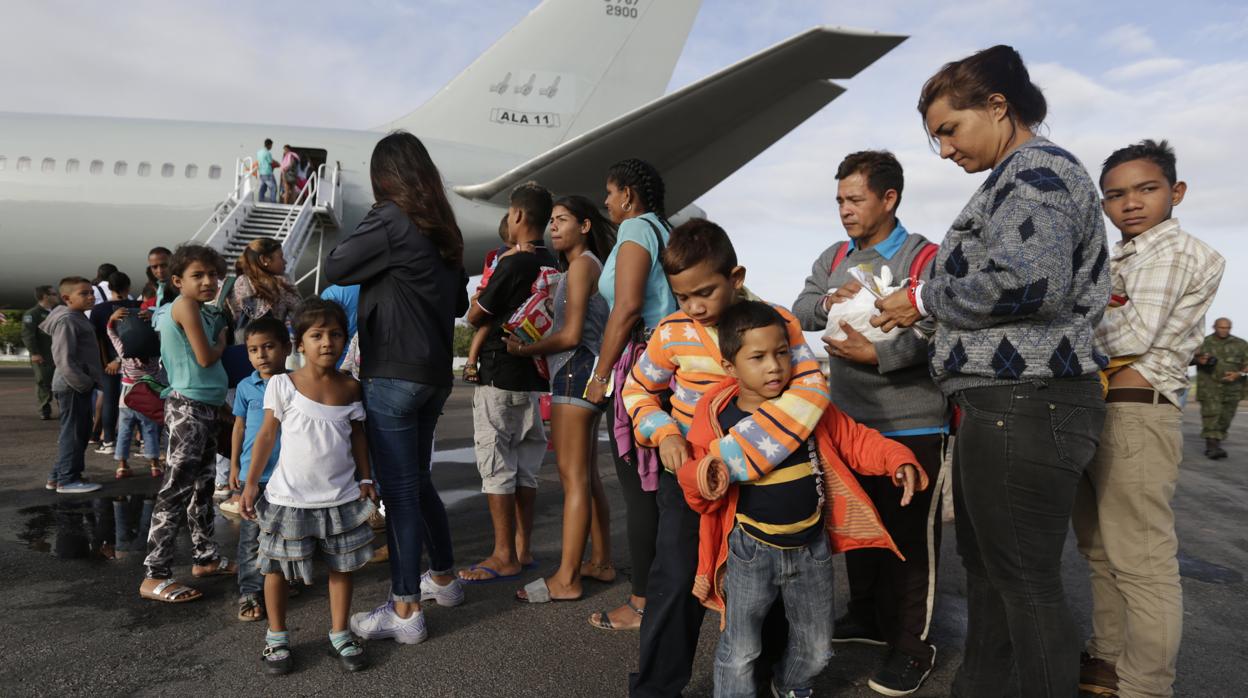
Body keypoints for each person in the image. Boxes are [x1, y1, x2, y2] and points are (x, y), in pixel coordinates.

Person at [871, 45, 1110, 697]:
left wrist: (921, 298)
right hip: (1002, 403)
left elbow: (1033, 281)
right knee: (991, 575)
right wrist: (916, 311)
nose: (944, 150)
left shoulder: (1037, 173)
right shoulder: (1015, 179)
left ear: (997, 106)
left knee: (1023, 584)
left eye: (949, 129)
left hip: (1026, 403)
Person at [621, 219, 830, 697]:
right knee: (676, 579)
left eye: (706, 292)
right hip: (692, 477)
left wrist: (736, 457)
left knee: (771, 586)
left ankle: (766, 679)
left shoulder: (776, 322)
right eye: (683, 297)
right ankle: (655, 688)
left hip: (765, 478)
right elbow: (638, 390)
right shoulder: (673, 332)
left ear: (735, 278)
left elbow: (811, 386)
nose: (695, 307)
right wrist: (665, 432)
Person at [677, 300, 924, 698]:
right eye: (757, 357)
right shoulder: (716, 419)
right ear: (730, 367)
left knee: (817, 648)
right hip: (750, 549)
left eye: (780, 353)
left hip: (812, 548)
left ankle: (789, 684)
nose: (774, 366)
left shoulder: (806, 409)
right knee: (740, 649)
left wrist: (896, 458)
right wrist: (702, 476)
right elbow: (695, 482)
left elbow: (855, 439)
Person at [791, 150, 948, 695]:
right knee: (858, 527)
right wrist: (831, 298)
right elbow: (802, 307)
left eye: (855, 199)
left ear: (889, 198)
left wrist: (877, 356)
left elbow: (943, 335)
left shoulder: (924, 258)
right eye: (839, 200)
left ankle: (912, 646)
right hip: (848, 424)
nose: (845, 210)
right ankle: (865, 616)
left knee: (908, 540)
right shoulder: (834, 254)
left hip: (912, 422)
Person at [1072, 139, 1224, 698]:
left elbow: (1131, 335)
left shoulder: (1175, 253)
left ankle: (1145, 685)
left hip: (1135, 416)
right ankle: (1108, 659)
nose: (1130, 203)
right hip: (1098, 407)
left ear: (1175, 192)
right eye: (1115, 194)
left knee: (1142, 561)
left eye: (1146, 189)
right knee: (1098, 551)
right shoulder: (1120, 258)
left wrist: (1060, 329)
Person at [326, 131, 470, 645]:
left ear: (384, 177)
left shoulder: (389, 217)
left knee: (400, 493)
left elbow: (338, 262)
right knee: (418, 480)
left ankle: (406, 607)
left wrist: (378, 222)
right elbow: (457, 305)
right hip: (433, 375)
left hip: (393, 372)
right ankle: (445, 579)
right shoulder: (444, 229)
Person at [240, 298, 377, 674]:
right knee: (275, 569)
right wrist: (250, 484)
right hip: (289, 498)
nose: (327, 342)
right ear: (299, 343)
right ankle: (277, 637)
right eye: (316, 335)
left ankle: (339, 633)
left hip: (341, 497)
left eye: (335, 334)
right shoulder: (283, 384)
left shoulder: (351, 387)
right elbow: (267, 436)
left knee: (342, 567)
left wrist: (366, 478)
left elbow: (358, 436)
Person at [583, 158, 680, 632]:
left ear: (629, 195)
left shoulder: (637, 229)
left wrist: (601, 375)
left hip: (644, 366)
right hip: (676, 367)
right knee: (666, 488)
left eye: (610, 192)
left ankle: (642, 602)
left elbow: (626, 306)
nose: (606, 202)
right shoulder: (667, 228)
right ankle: (671, 592)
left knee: (639, 490)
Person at [508, 195, 617, 603]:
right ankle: (601, 561)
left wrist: (525, 350)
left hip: (575, 372)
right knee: (585, 476)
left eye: (562, 220)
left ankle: (567, 578)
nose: (553, 227)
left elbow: (570, 336)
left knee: (572, 479)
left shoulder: (581, 267)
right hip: (586, 374)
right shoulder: (587, 267)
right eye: (551, 220)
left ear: (584, 227)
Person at [460, 181, 556, 583]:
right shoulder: (556, 264)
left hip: (500, 374)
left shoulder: (512, 264)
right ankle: (523, 548)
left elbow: (475, 314)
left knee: (497, 466)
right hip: (536, 379)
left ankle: (502, 555)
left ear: (516, 216)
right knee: (525, 469)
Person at [138, 244, 237, 604]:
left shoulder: (198, 309)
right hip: (188, 409)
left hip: (206, 408)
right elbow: (205, 356)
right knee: (176, 490)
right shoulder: (183, 305)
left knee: (202, 489)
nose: (209, 281)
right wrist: (223, 340)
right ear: (178, 280)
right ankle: (155, 574)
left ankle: (205, 558)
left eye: (213, 274)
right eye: (198, 275)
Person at [229, 317, 291, 622]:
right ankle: (250, 591)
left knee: (285, 535)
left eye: (268, 347)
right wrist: (234, 466)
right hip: (254, 476)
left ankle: (280, 584)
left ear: (286, 348)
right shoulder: (245, 386)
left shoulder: (297, 384)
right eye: (253, 350)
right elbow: (239, 427)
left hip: (288, 476)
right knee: (251, 536)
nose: (261, 355)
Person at [41, 276, 104, 494]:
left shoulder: (75, 316)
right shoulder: (67, 319)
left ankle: (58, 476)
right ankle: (67, 481)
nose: (90, 296)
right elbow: (63, 358)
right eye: (84, 293)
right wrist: (84, 383)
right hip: (73, 386)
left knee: (76, 432)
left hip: (75, 386)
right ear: (67, 298)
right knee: (75, 434)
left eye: (91, 292)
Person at [105, 301, 165, 480]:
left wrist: (112, 320)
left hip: (126, 399)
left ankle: (122, 466)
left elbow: (112, 334)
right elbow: (163, 335)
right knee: (150, 431)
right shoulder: (156, 354)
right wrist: (154, 318)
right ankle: (154, 465)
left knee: (124, 432)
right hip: (148, 399)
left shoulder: (124, 353)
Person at [90, 272, 143, 456]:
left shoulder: (99, 310)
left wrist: (106, 361)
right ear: (128, 287)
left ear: (109, 288)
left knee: (110, 402)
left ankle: (109, 440)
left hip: (109, 363)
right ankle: (143, 441)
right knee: (140, 401)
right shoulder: (138, 306)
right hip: (136, 362)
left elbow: (98, 338)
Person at [463, 215, 513, 384]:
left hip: (489, 292)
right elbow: (503, 261)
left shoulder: (499, 251)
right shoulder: (503, 253)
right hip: (487, 293)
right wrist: (519, 249)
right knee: (485, 327)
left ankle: (471, 361)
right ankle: (470, 362)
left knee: (484, 328)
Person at [1195, 318, 1247, 459]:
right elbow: (1186, 359)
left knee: (1226, 417)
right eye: (1221, 327)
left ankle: (1216, 443)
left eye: (1227, 328)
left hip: (1233, 389)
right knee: (1211, 416)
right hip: (1209, 388)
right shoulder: (1203, 343)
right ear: (1214, 327)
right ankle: (1212, 447)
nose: (1224, 330)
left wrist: (1238, 374)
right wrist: (1198, 360)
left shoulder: (1241, 344)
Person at [228, 238, 302, 331]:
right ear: (264, 260)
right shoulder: (280, 283)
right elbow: (300, 313)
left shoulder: (239, 281)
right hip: (272, 340)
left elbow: (236, 315)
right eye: (281, 257)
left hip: (246, 341)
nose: (285, 262)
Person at [22, 285, 59, 420]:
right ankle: (44, 408)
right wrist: (34, 353)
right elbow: (28, 335)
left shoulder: (58, 311)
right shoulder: (32, 314)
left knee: (62, 382)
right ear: (45, 296)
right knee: (43, 382)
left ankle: (64, 408)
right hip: (43, 355)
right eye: (54, 294)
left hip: (59, 354)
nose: (57, 296)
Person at [141, 246, 176, 311]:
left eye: (164, 265)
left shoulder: (180, 287)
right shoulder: (160, 286)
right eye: (154, 267)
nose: (160, 271)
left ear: (173, 263)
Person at [257, 138, 278, 203]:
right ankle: (273, 201)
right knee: (273, 187)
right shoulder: (267, 153)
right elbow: (271, 162)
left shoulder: (259, 152)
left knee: (262, 188)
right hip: (267, 173)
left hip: (261, 172)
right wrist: (278, 164)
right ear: (269, 145)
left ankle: (260, 200)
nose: (271, 147)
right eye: (271, 145)